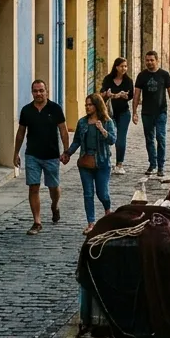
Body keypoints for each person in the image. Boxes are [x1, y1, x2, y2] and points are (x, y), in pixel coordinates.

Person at [14, 80, 69, 235]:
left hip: (51, 156)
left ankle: (55, 205)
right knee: (33, 187)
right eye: (35, 91)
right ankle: (37, 222)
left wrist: (66, 151)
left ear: (47, 92)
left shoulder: (55, 109)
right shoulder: (26, 111)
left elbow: (63, 131)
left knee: (53, 187)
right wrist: (16, 153)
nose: (38, 94)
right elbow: (20, 133)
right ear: (32, 92)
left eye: (41, 90)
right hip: (32, 155)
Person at [64, 94, 115, 235]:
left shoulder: (106, 121)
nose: (87, 107)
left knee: (102, 193)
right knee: (88, 193)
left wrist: (102, 130)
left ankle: (108, 212)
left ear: (97, 106)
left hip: (102, 163)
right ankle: (91, 223)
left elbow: (112, 140)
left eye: (90, 105)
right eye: (86, 105)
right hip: (85, 163)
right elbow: (76, 142)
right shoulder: (82, 123)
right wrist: (68, 153)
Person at [133, 51, 170, 180]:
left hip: (161, 112)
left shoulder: (164, 75)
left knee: (161, 138)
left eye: (152, 60)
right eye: (147, 60)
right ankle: (152, 163)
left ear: (157, 60)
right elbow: (136, 94)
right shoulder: (141, 76)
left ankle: (161, 166)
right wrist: (134, 112)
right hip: (146, 112)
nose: (149, 62)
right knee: (149, 139)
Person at [100, 57, 133, 174]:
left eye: (125, 66)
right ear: (116, 67)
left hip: (124, 113)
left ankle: (119, 164)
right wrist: (109, 95)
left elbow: (131, 95)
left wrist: (125, 96)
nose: (123, 68)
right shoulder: (108, 79)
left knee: (120, 139)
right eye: (121, 66)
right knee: (108, 137)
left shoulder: (128, 81)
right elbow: (102, 94)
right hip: (109, 114)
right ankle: (105, 161)